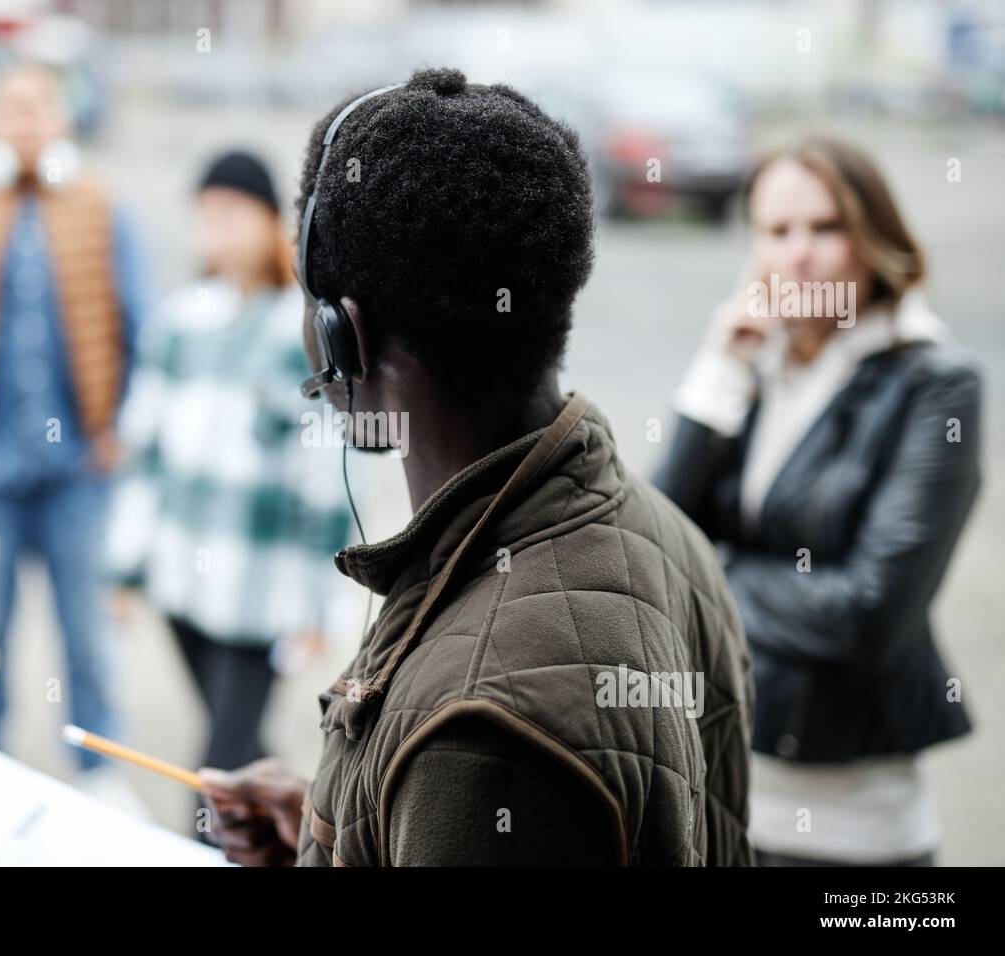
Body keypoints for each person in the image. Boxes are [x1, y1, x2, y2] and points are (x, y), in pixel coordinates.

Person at [196, 69, 754, 867]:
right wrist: (341, 826)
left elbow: (490, 781)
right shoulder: (667, 534)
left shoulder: (475, 740)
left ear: (341, 334)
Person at [652, 138, 980, 867]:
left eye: (826, 228)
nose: (798, 254)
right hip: (717, 801)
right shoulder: (753, 371)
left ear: (875, 239)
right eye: (776, 231)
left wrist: (712, 574)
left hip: (852, 828)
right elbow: (649, 552)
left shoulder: (936, 384)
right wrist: (718, 371)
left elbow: (870, 609)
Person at [109, 150, 352, 831]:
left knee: (214, 775)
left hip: (260, 598)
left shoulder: (301, 334)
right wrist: (125, 567)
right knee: (237, 742)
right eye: (204, 216)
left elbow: (325, 484)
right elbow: (144, 453)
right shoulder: (178, 323)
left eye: (231, 215)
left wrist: (315, 605)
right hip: (182, 589)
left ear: (272, 222)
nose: (214, 231)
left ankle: (223, 842)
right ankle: (305, 832)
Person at [0, 62, 150, 788]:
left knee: (88, 636)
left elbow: (139, 323)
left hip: (78, 470)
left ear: (62, 121)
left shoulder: (103, 204)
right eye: (13, 108)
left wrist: (120, 429)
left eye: (40, 108)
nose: (27, 122)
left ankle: (101, 773)